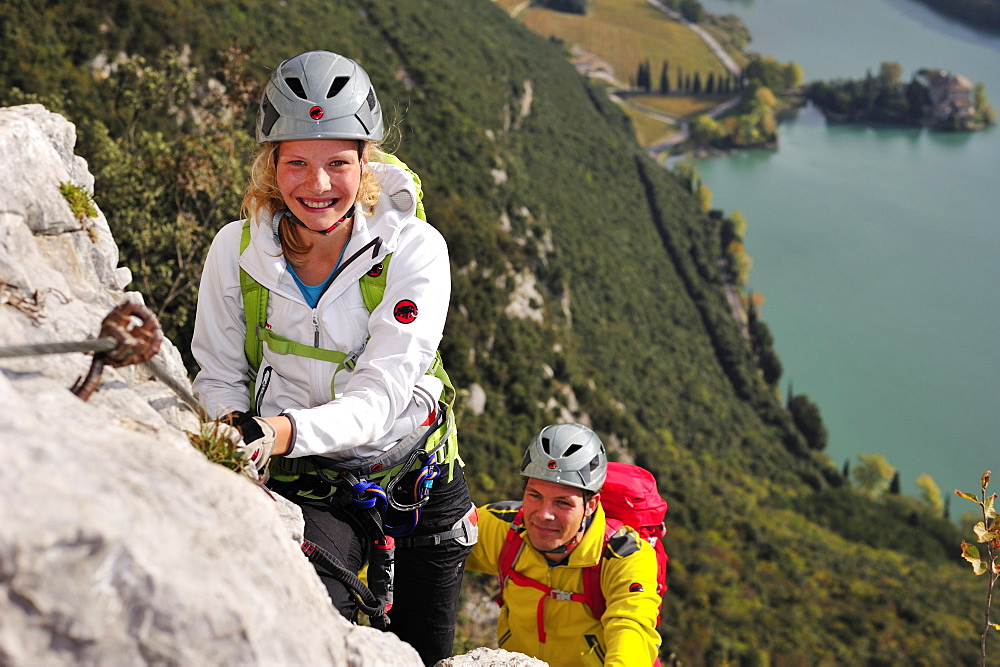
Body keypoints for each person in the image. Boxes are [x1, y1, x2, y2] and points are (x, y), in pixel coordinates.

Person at [191, 50, 476, 665]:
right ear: (271, 165)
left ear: (365, 162)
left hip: (415, 473)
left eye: (337, 163)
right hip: (310, 485)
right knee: (315, 641)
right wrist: (233, 435)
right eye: (296, 161)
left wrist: (277, 431)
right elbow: (219, 371)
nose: (317, 186)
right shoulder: (235, 251)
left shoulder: (414, 250)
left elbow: (380, 397)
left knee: (427, 653)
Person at [465, 423, 661, 666]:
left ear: (590, 504)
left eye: (563, 503)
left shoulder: (624, 555)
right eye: (535, 496)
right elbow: (433, 549)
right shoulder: (505, 529)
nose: (544, 514)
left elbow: (632, 629)